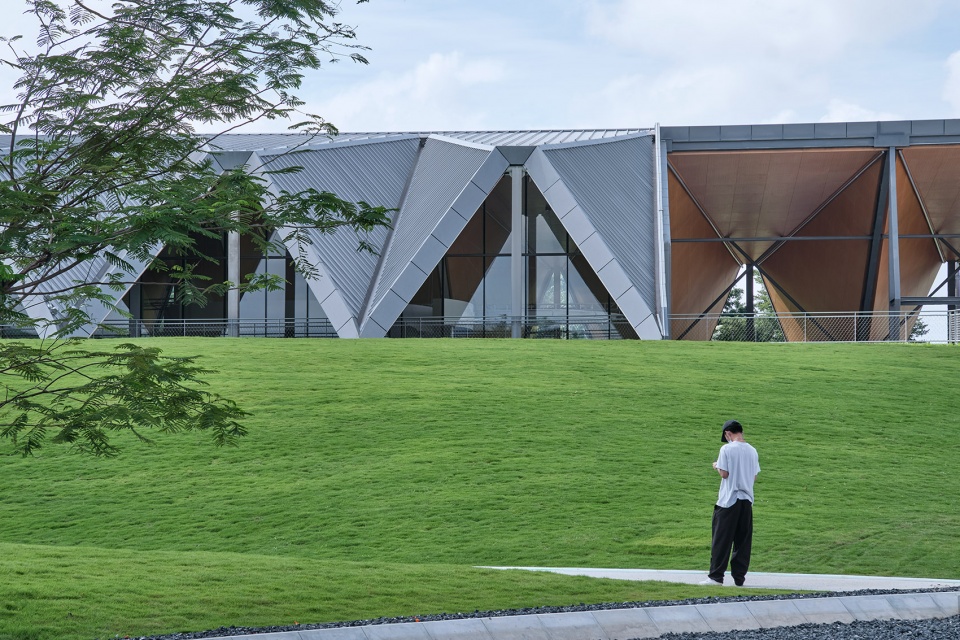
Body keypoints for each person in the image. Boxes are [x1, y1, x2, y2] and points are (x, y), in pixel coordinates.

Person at [699, 419, 760, 587]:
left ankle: (716, 576)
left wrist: (716, 466)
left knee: (721, 539)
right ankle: (739, 577)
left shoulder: (726, 449)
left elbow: (725, 474)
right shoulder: (753, 451)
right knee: (743, 541)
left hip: (728, 501)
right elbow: (754, 476)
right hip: (747, 501)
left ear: (728, 433)